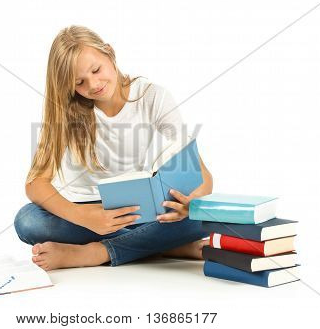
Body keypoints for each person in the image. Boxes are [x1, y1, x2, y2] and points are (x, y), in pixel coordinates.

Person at [14, 25, 213, 271]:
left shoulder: (152, 96)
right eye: (79, 82)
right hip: (88, 212)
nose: (93, 84)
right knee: (27, 221)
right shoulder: (66, 110)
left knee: (201, 219)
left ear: (109, 53)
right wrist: (86, 217)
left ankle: (99, 252)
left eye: (96, 70)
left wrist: (191, 203)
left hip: (138, 211)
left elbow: (203, 177)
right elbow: (35, 184)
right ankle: (161, 246)